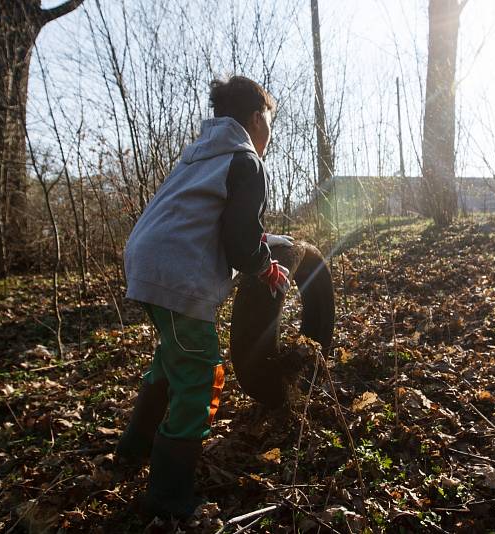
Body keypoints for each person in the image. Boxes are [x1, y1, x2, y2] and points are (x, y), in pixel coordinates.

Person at [115, 76, 293, 523]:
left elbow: (211, 222)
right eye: (269, 121)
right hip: (177, 274)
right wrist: (265, 265)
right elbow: (238, 245)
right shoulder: (247, 162)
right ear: (256, 119)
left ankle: (131, 452)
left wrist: (264, 241)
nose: (269, 131)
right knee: (199, 376)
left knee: (171, 360)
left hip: (147, 261)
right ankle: (168, 495)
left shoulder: (200, 156)